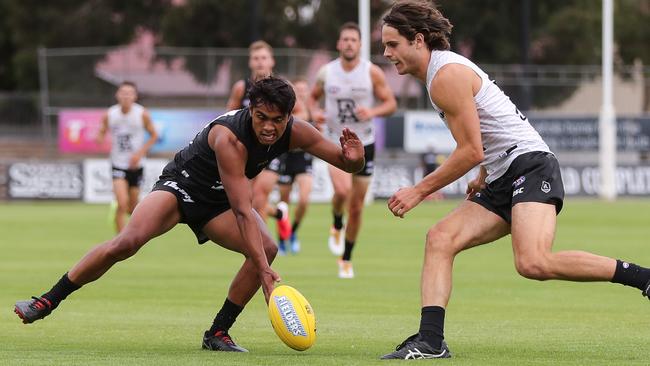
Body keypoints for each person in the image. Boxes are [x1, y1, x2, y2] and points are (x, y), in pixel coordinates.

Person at [379, 1, 650, 360]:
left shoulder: (445, 75)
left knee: (533, 262)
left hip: (530, 167)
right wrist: (483, 175)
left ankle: (644, 277)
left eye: (392, 44)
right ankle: (431, 340)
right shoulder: (439, 75)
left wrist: (418, 190)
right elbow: (487, 137)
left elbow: (471, 149)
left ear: (418, 40)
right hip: (503, 172)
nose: (386, 53)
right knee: (440, 238)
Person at [14, 77, 365, 353]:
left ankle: (217, 332)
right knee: (128, 242)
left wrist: (355, 157)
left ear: (290, 115)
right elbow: (243, 209)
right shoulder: (231, 138)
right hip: (181, 188)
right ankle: (46, 300)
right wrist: (265, 274)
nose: (269, 127)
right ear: (250, 110)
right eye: (261, 118)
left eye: (278, 120)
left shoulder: (297, 131)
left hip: (218, 203)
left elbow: (345, 162)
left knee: (267, 248)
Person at [310, 22, 397, 278]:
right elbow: (312, 97)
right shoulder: (327, 72)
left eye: (353, 40)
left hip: (365, 144)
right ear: (339, 44)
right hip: (335, 141)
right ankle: (336, 221)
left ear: (360, 45)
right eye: (345, 39)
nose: (349, 43)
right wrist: (315, 112)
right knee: (342, 190)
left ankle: (346, 259)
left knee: (357, 207)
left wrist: (372, 111)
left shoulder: (371, 73)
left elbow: (390, 103)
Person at [226, 40, 292, 242]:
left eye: (264, 58)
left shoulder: (283, 88)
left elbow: (297, 116)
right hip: (247, 150)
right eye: (256, 58)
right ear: (250, 63)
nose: (260, 62)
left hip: (273, 149)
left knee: (259, 195)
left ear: (271, 61)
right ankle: (278, 215)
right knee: (248, 201)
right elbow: (229, 115)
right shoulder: (241, 88)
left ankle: (263, 247)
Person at [96, 81, 158, 233]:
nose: (126, 96)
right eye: (123, 93)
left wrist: (140, 153)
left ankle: (122, 210)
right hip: (118, 163)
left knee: (132, 208)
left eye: (129, 93)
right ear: (117, 95)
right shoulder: (110, 114)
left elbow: (154, 135)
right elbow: (102, 131)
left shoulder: (141, 114)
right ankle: (120, 242)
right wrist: (99, 137)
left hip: (136, 165)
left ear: (135, 96)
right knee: (122, 203)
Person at [275, 77, 316, 255]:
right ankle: (282, 238)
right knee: (283, 203)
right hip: (285, 157)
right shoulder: (287, 109)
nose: (301, 93)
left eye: (304, 90)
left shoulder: (314, 111)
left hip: (303, 158)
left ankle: (293, 232)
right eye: (297, 89)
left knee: (304, 199)